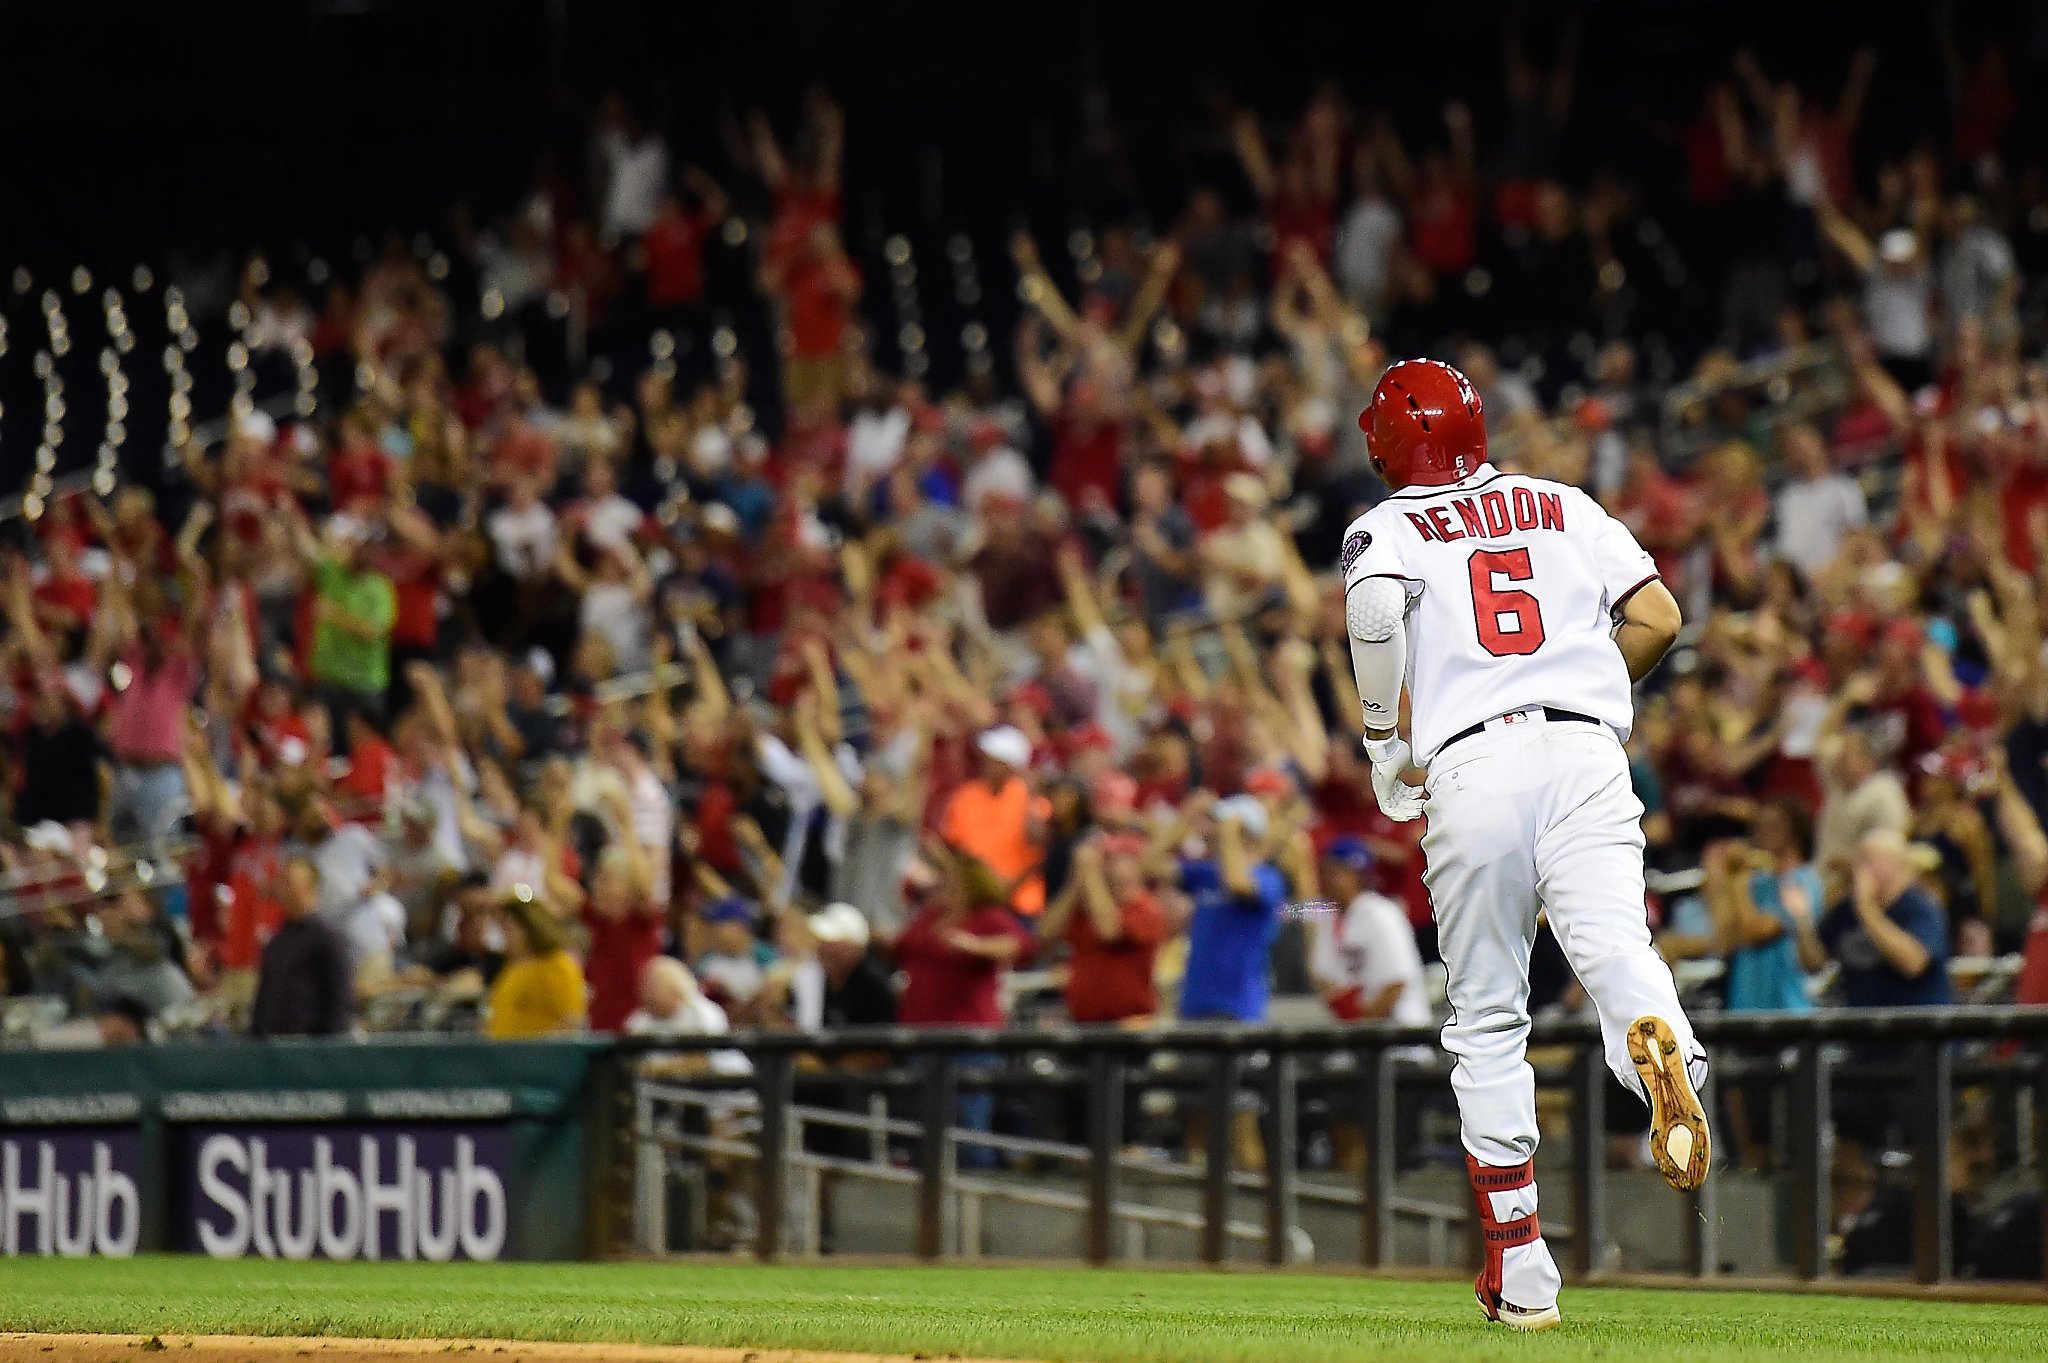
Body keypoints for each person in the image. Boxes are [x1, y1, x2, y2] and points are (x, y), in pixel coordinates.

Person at [1340, 358, 1705, 1330]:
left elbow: (1374, 611)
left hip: (1473, 764)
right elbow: (1659, 615)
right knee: (1614, 949)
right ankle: (1659, 1044)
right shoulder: (1561, 500)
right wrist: (1591, 685)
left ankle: (1520, 1267)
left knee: (1487, 1015)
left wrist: (1383, 742)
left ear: (1385, 444)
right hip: (1585, 751)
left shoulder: (1384, 526)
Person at [1309, 836, 1429, 1026]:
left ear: (1358, 876)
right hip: (1362, 1036)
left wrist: (1362, 1024)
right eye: (1328, 872)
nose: (1330, 880)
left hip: (1402, 1033)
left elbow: (1396, 984)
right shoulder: (1329, 917)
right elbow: (1323, 976)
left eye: (1337, 873)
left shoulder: (1381, 914)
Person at [249, 856, 356, 1038]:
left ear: (309, 887)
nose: (282, 889)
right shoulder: (278, 941)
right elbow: (266, 994)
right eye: (281, 882)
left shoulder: (327, 937)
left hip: (309, 1047)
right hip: (274, 1047)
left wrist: (332, 1051)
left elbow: (339, 997)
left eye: (288, 882)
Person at [484, 889, 587, 1039]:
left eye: (510, 928)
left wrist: (536, 1050)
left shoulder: (557, 965)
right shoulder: (512, 968)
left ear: (531, 927)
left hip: (536, 1058)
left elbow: (570, 1021)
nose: (505, 936)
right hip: (501, 1058)